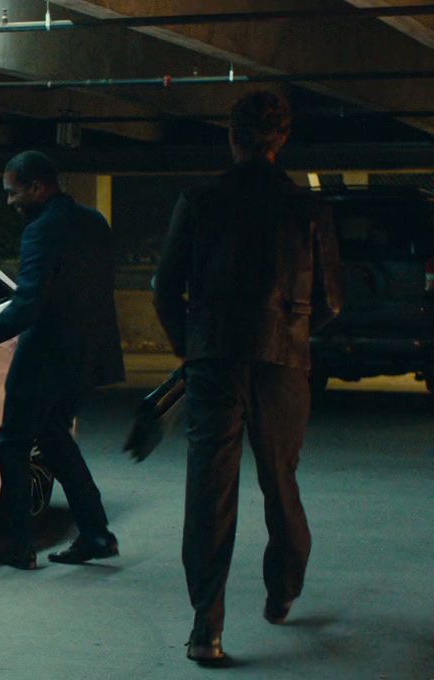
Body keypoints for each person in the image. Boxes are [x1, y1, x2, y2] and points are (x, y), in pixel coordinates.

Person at [152, 90, 341, 666]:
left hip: (215, 362)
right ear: (281, 139)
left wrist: (194, 349)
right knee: (280, 484)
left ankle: (205, 629)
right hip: (283, 363)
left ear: (230, 137)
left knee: (209, 493)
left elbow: (164, 289)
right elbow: (331, 302)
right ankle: (282, 592)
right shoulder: (308, 209)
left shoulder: (199, 199)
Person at [0, 150, 124, 571]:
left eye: (14, 193)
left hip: (44, 357)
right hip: (86, 357)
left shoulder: (41, 231)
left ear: (37, 187)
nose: (10, 202)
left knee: (12, 445)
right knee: (57, 440)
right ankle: (96, 533)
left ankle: (20, 544)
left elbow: (28, 306)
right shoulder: (94, 223)